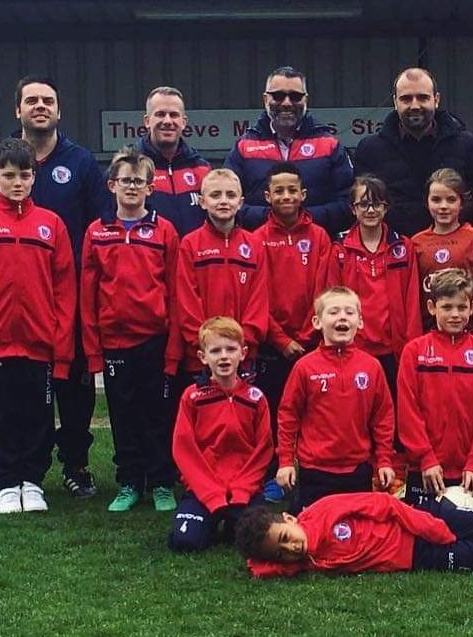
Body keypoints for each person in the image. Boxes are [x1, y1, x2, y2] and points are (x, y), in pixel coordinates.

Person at [0, 75, 110, 499]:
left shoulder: (81, 162)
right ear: (18, 111)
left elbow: (102, 221)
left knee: (75, 387)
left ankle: (76, 463)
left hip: (70, 294)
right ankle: (19, 473)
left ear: (59, 110)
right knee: (25, 393)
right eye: (31, 100)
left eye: (48, 100)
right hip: (16, 309)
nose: (40, 106)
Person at [0, 139, 76, 514]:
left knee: (37, 416)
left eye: (24, 175)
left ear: (34, 177)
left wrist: (62, 351)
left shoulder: (51, 225)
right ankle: (6, 483)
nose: (17, 182)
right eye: (8, 175)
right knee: (1, 416)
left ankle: (32, 481)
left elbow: (65, 291)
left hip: (39, 345)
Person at [81, 147, 179, 513]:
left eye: (139, 181)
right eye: (126, 181)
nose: (132, 187)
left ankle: (161, 482)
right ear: (112, 185)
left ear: (150, 188)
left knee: (157, 414)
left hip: (154, 340)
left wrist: (173, 349)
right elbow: (88, 294)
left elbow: (175, 290)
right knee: (123, 415)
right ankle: (128, 481)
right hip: (114, 343)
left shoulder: (164, 231)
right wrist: (93, 348)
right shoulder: (96, 232)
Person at [236, 491, 473, 578]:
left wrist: (435, 528)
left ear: (288, 517)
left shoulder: (323, 511)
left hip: (427, 522)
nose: (292, 547)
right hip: (418, 557)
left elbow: (385, 504)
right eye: (283, 552)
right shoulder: (301, 561)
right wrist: (268, 558)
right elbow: (261, 567)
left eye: (285, 535)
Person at [251, 161, 332, 501]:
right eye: (278, 190)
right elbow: (257, 297)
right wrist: (283, 340)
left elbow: (324, 290)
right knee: (272, 412)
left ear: (303, 194)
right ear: (268, 196)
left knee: (315, 411)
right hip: (274, 346)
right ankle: (274, 474)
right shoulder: (256, 239)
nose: (286, 196)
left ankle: (314, 470)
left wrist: (308, 336)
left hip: (311, 343)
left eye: (292, 190)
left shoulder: (318, 236)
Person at [275, 286, 395, 513]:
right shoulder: (305, 367)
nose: (342, 317)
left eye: (349, 312)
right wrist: (286, 462)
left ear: (360, 322)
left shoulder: (372, 367)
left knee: (355, 534)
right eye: (333, 312)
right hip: (315, 470)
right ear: (317, 322)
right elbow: (288, 416)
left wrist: (385, 461)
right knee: (310, 537)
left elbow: (383, 418)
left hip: (357, 469)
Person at [397, 270, 473, 511]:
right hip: (426, 469)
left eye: (461, 307)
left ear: (472, 307)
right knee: (422, 542)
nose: (455, 314)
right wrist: (426, 458)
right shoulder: (414, 351)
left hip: (470, 471)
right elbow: (408, 410)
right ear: (432, 307)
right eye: (446, 307)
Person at [169, 317, 272, 552]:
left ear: (243, 353)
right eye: (215, 351)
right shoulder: (192, 397)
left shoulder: (256, 398)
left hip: (243, 490)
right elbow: (184, 450)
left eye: (231, 349)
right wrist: (211, 493)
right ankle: (209, 521)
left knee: (261, 540)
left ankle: (230, 521)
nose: (224, 356)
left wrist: (242, 490)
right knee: (184, 542)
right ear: (203, 357)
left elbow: (263, 450)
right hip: (204, 489)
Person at [352, 68, 473, 236]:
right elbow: (362, 205)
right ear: (395, 102)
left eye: (423, 98)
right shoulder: (369, 150)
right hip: (393, 253)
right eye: (406, 99)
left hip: (455, 253)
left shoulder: (466, 145)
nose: (415, 105)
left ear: (436, 100)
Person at [166, 168, 269, 391]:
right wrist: (205, 343)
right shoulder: (190, 244)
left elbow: (259, 300)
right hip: (202, 357)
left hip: (242, 355)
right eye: (215, 195)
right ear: (202, 202)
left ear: (241, 202)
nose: (223, 201)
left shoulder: (254, 245)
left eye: (230, 195)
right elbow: (186, 301)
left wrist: (241, 343)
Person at [225, 66, 353, 233]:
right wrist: (271, 218)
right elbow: (228, 202)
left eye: (295, 96)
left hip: (316, 251)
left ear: (305, 100)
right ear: (265, 99)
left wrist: (303, 219)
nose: (286, 103)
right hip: (259, 252)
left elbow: (349, 204)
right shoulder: (243, 147)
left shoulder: (330, 145)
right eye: (278, 96)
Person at [329, 175, 423, 397]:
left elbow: (412, 302)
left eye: (377, 203)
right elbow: (331, 300)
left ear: (386, 207)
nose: (370, 210)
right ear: (353, 209)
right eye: (363, 204)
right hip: (354, 347)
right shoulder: (339, 250)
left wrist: (411, 347)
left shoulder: (403, 246)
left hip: (394, 350)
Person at [411, 168, 473, 339]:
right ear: (426, 202)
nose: (443, 206)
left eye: (451, 200)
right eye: (436, 200)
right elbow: (412, 298)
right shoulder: (417, 243)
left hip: (469, 332)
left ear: (461, 203)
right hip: (430, 334)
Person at [139, 86, 211, 237]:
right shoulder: (131, 169)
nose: (167, 121)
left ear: (183, 122)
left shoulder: (202, 169)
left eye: (173, 115)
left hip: (193, 259)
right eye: (160, 114)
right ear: (147, 121)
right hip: (149, 259)